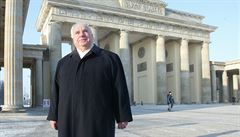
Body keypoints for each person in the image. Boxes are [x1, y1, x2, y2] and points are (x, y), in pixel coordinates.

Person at [47, 23, 133, 137]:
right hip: (68, 120)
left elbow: (120, 88)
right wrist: (53, 116)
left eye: (85, 31)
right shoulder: (63, 63)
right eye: (77, 33)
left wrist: (122, 116)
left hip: (98, 121)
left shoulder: (110, 59)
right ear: (73, 38)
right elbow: (56, 92)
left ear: (92, 36)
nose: (82, 35)